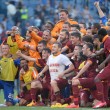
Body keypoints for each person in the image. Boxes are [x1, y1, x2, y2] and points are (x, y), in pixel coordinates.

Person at [67, 42, 98, 108]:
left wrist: (77, 76)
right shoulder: (88, 58)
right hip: (89, 82)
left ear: (88, 49)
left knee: (75, 81)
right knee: (84, 104)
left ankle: (75, 104)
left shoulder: (92, 56)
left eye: (83, 48)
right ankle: (92, 102)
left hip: (93, 80)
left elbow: (86, 67)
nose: (82, 49)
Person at [93, 28, 110, 108]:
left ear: (100, 35)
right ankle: (106, 101)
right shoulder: (106, 40)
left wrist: (103, 63)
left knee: (97, 79)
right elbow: (104, 50)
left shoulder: (108, 40)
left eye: (98, 36)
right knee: (105, 82)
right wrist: (96, 54)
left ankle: (102, 101)